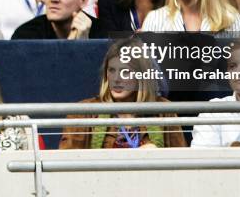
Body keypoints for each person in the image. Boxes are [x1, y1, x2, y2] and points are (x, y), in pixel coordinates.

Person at [59, 38, 187, 149]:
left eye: (125, 72)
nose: (116, 79)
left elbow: (182, 164)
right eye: (112, 70)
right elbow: (67, 165)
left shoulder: (164, 110)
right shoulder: (83, 113)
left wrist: (156, 155)